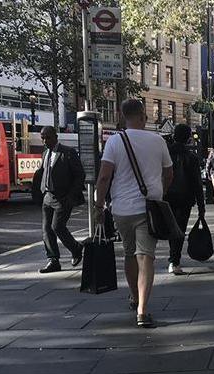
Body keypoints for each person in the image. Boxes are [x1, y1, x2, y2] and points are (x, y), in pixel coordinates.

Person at [94, 99, 173, 328]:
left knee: (129, 254)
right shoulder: (157, 140)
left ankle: (135, 297)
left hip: (121, 210)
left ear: (122, 116)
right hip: (148, 208)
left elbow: (104, 177)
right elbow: (169, 174)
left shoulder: (114, 141)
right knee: (145, 257)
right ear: (142, 116)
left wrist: (99, 206)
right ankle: (142, 310)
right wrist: (160, 192)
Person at [38, 126, 85, 274]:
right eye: (42, 138)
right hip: (47, 196)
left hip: (63, 198)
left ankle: (76, 249)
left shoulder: (68, 152)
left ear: (56, 137)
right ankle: (53, 260)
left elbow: (80, 175)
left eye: (48, 137)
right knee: (46, 229)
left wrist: (71, 196)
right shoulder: (45, 153)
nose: (45, 141)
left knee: (57, 227)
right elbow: (43, 172)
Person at [164, 124, 205, 275]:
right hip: (185, 199)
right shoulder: (191, 157)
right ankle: (174, 261)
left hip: (166, 197)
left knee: (169, 227)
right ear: (188, 138)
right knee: (180, 229)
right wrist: (201, 206)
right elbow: (197, 183)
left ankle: (171, 257)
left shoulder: (166, 153)